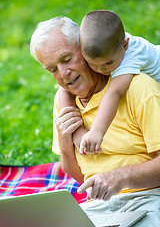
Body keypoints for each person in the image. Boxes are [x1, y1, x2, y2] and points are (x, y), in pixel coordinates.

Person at [30, 16, 160, 225]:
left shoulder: (137, 87)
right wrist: (65, 144)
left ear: (84, 48)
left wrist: (120, 177)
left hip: (148, 199)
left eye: (66, 59)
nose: (63, 74)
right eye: (52, 69)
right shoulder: (64, 102)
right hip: (99, 206)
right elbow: (83, 179)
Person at [57, 10, 160, 156]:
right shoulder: (110, 47)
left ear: (125, 45)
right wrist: (78, 131)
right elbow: (64, 90)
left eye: (108, 63)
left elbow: (114, 93)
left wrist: (97, 132)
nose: (102, 70)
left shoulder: (131, 57)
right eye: (92, 64)